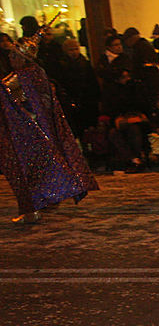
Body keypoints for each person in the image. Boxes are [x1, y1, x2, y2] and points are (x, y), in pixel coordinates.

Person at [0, 44, 98, 223]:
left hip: (30, 133)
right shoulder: (34, 74)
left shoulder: (24, 76)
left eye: (15, 56)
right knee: (39, 170)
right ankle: (42, 203)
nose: (11, 59)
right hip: (33, 132)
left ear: (24, 59)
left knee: (29, 171)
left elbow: (6, 92)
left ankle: (35, 207)